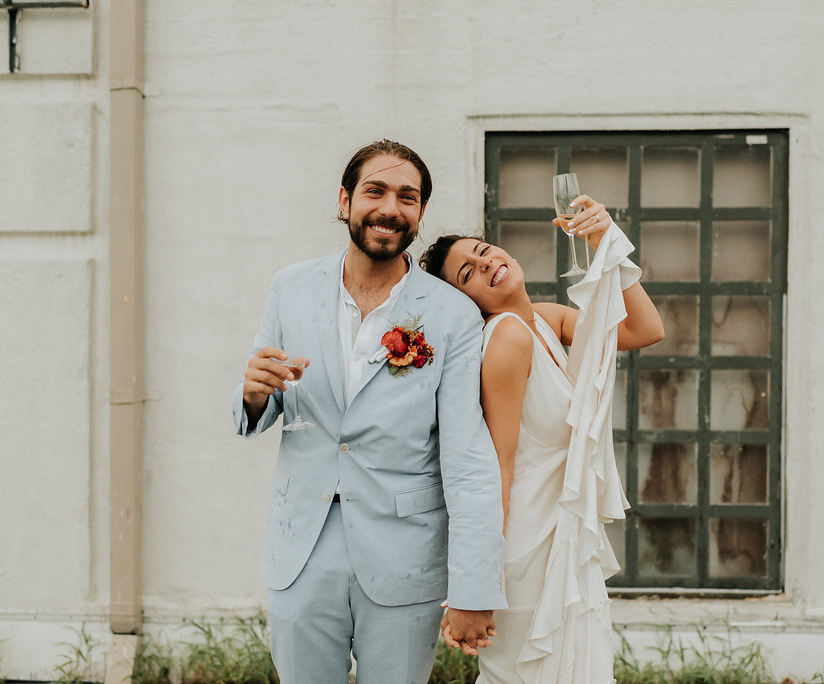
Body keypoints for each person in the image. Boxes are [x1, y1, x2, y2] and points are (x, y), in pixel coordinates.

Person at [232, 139, 507, 684]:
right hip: (300, 549)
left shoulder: (453, 315)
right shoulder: (290, 288)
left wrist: (474, 587)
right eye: (374, 191)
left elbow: (469, 457)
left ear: (421, 212)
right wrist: (254, 393)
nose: (390, 208)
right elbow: (264, 394)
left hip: (405, 556)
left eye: (408, 197)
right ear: (344, 201)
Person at [419, 197, 664, 683]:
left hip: (566, 533)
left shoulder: (546, 319)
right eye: (468, 272)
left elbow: (647, 328)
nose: (487, 262)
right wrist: (478, 583)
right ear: (464, 301)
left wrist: (605, 242)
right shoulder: (507, 336)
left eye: (484, 250)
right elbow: (498, 466)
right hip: (528, 543)